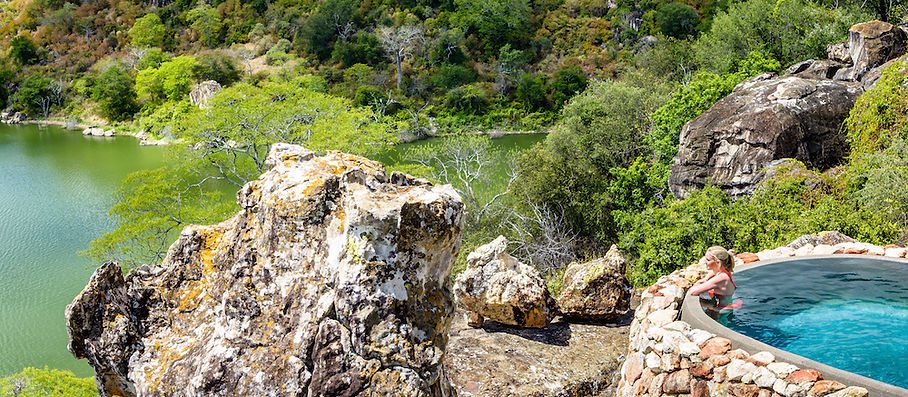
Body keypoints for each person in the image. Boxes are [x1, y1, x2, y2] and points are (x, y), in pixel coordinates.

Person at [688, 246, 741, 324]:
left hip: (722, 312)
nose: (705, 262)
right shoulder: (723, 270)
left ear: (718, 263)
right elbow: (713, 272)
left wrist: (708, 305)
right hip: (727, 306)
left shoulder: (721, 278)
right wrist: (706, 279)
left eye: (708, 260)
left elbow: (693, 292)